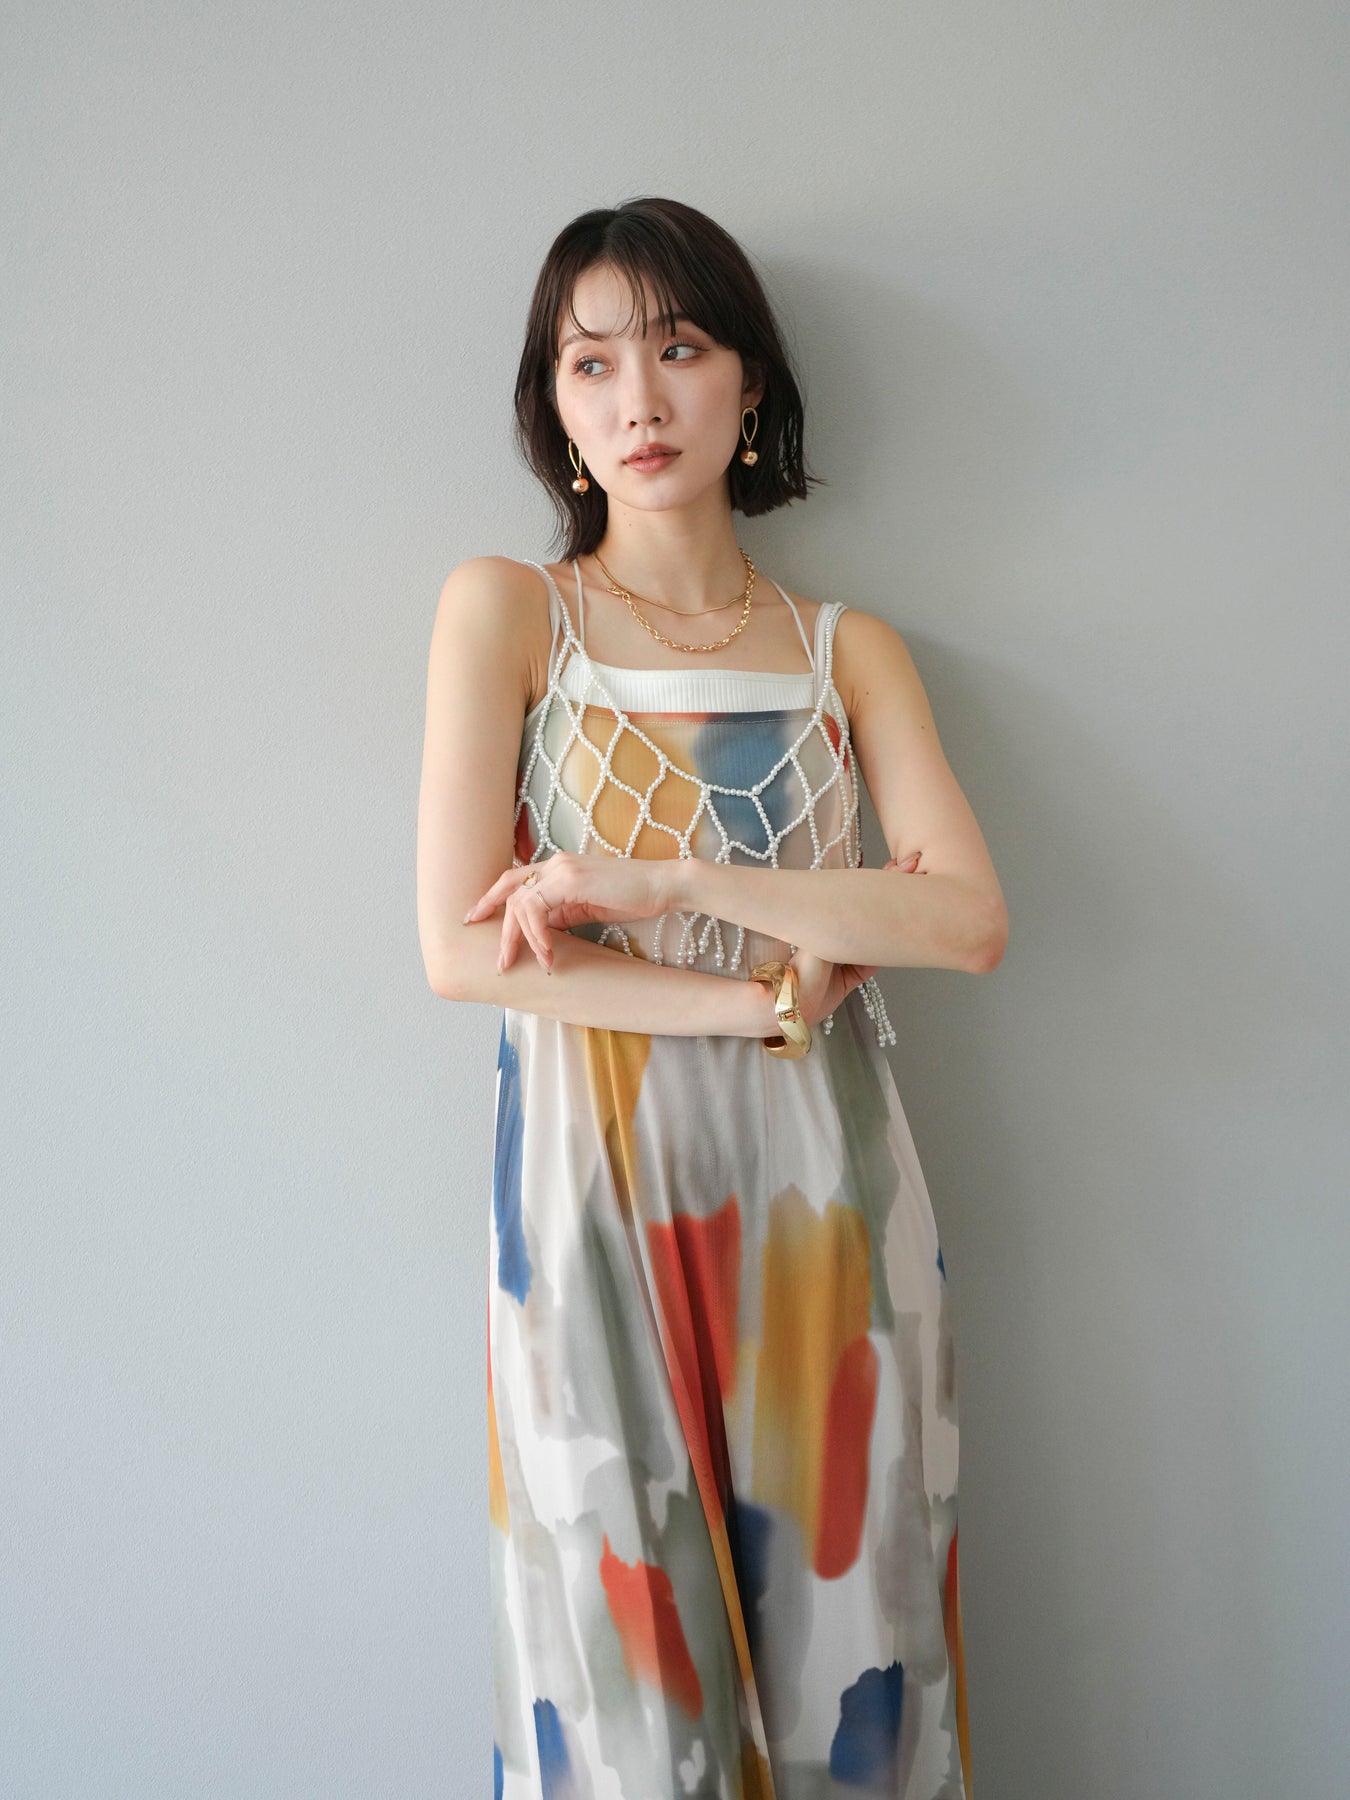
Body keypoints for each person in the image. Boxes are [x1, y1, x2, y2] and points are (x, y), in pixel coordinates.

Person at [417, 195, 1006, 1800]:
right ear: (553, 406)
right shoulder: (510, 613)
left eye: (677, 349)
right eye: (590, 362)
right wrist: (765, 1006)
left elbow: (962, 921)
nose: (638, 399)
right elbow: (464, 951)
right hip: (591, 1198)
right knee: (622, 1689)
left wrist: (674, 881)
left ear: (749, 384)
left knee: (853, 1670)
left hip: (825, 1200)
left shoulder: (844, 650)